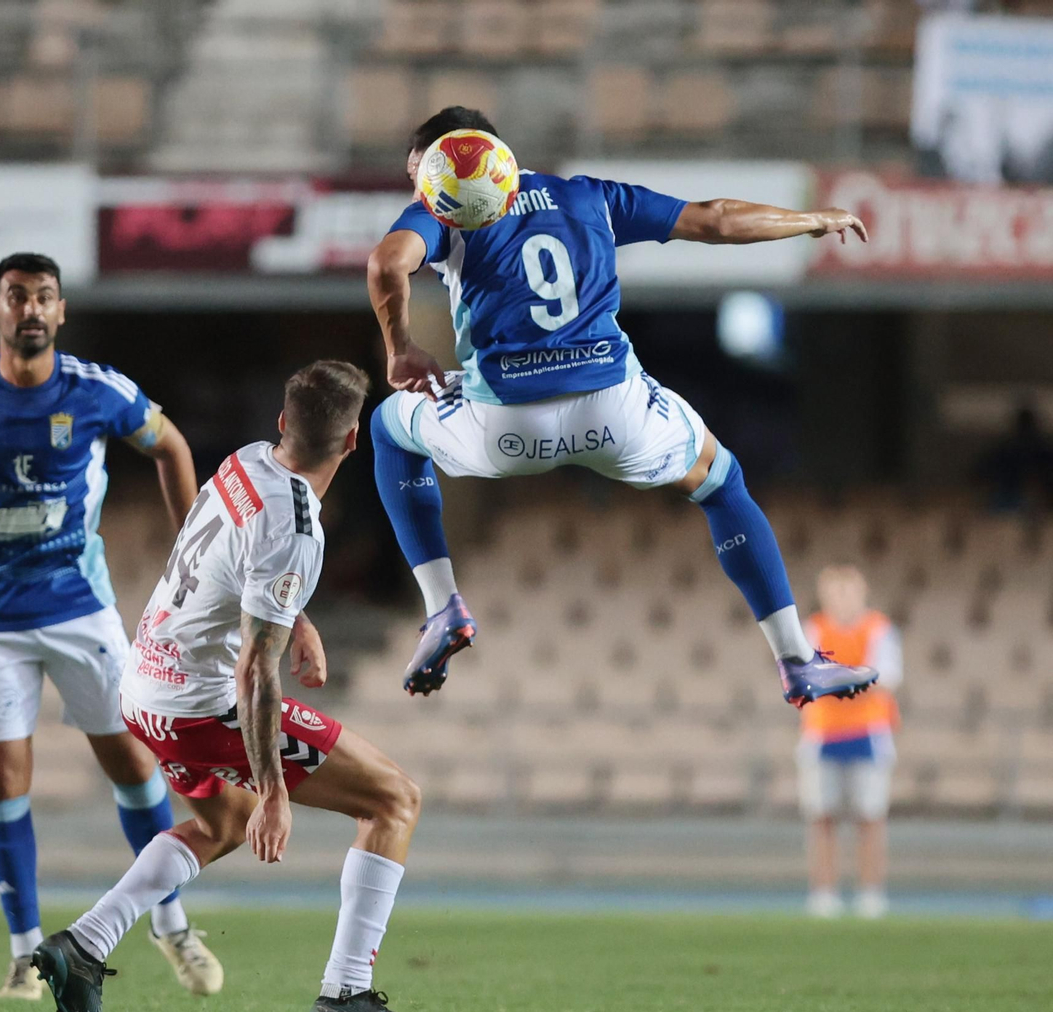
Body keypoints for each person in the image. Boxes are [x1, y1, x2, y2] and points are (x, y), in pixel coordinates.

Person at [366, 106, 879, 707]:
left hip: (504, 426)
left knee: (387, 429)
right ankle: (795, 659)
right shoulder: (590, 196)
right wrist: (812, 219)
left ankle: (441, 607)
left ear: (452, 160)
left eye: (421, 172)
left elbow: (385, 264)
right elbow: (713, 220)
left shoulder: (438, 209)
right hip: (615, 412)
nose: (421, 187)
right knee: (721, 483)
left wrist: (399, 349)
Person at [31, 361, 435, 1012]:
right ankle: (346, 995)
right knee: (394, 798)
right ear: (353, 441)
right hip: (202, 698)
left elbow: (225, 554)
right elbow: (254, 670)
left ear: (282, 423)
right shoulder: (300, 527)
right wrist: (275, 790)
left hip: (143, 685)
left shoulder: (247, 459)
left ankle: (84, 943)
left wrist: (293, 615)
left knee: (220, 824)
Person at [0, 253, 223, 1001]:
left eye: (44, 298)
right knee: (0, 777)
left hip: (79, 606)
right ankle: (27, 953)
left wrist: (188, 545)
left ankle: (171, 924)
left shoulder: (97, 390)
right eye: (17, 297)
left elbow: (172, 444)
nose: (31, 309)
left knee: (132, 763)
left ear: (61, 313)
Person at [799, 565, 902, 919]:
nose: (842, 599)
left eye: (848, 590)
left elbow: (884, 679)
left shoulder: (879, 629)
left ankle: (871, 893)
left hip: (869, 733)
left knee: (870, 818)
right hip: (822, 733)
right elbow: (805, 678)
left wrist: (837, 681)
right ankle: (824, 893)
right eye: (835, 591)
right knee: (821, 817)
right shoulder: (813, 628)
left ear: (862, 592)